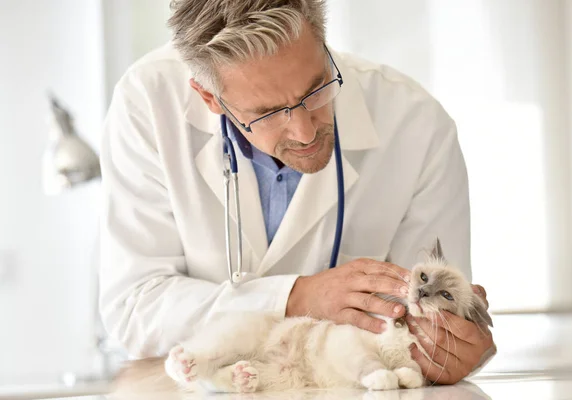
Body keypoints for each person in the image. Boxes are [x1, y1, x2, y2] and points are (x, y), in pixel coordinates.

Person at [99, 0, 495, 385]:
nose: (306, 132)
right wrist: (295, 297)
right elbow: (134, 309)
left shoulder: (417, 125)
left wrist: (452, 350)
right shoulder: (148, 103)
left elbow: (439, 326)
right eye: (268, 112)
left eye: (317, 88)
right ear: (210, 99)